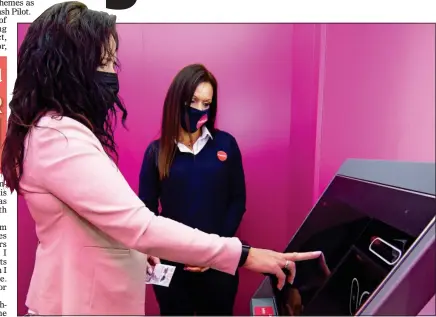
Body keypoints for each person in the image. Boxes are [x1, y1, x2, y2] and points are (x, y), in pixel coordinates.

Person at [1, 2, 322, 316]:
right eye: (107, 62)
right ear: (72, 67)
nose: (114, 75)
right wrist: (245, 255)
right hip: (77, 302)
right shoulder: (60, 138)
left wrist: (137, 251)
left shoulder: (59, 133)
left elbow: (107, 223)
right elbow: (140, 220)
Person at [139, 63, 245, 315]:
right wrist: (171, 251)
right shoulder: (157, 152)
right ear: (177, 100)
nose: (199, 109)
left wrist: (213, 252)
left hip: (219, 265)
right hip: (172, 268)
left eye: (206, 104)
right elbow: (146, 213)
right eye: (193, 101)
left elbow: (237, 201)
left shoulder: (226, 144)